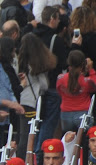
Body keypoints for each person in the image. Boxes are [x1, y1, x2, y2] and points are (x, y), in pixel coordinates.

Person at [32, 6, 68, 146]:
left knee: (35, 122)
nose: (59, 22)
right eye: (58, 19)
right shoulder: (55, 40)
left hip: (34, 87)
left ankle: (34, 153)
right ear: (52, 18)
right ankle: (41, 154)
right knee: (48, 122)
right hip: (52, 85)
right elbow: (63, 64)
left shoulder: (32, 36)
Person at [56, 50, 96, 132]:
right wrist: (91, 70)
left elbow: (59, 91)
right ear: (83, 65)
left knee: (68, 141)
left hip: (65, 114)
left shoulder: (60, 78)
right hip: (83, 113)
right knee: (84, 141)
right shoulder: (86, 81)